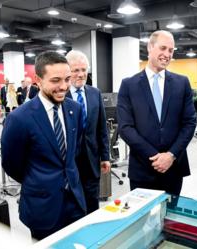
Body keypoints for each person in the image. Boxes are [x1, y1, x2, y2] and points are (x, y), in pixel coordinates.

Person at [1, 51, 86, 240]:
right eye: (56, 80)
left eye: (67, 79)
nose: (63, 86)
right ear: (38, 80)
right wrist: (38, 181)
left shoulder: (75, 109)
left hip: (75, 203)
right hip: (42, 207)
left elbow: (74, 151)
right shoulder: (19, 118)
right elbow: (11, 164)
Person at [117, 30, 197, 197]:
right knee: (143, 220)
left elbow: (189, 123)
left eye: (171, 50)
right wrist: (155, 157)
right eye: (163, 48)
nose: (167, 54)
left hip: (173, 168)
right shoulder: (128, 85)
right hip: (142, 169)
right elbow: (126, 128)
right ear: (150, 47)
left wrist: (170, 155)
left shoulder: (182, 83)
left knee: (170, 220)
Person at [66, 50, 110, 214]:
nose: (81, 74)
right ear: (67, 71)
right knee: (73, 206)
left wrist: (105, 156)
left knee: (92, 205)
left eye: (84, 70)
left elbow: (101, 128)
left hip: (92, 161)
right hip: (70, 163)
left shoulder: (95, 93)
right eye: (76, 70)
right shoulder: (61, 95)